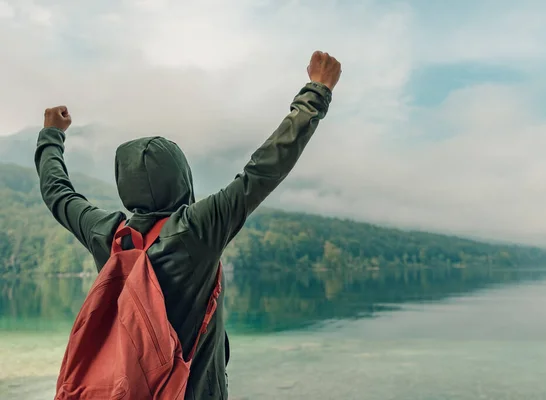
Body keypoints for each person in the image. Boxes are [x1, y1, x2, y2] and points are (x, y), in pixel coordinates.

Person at [34, 50, 342, 399]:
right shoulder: (197, 229)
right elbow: (265, 167)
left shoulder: (107, 235)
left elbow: (57, 192)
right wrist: (318, 90)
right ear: (182, 177)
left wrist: (51, 135)